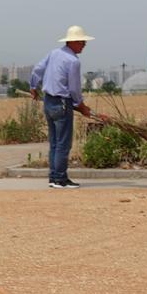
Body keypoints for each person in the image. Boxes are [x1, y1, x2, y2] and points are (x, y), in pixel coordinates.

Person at [30, 25, 101, 189]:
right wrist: (81, 106)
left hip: (49, 102)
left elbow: (38, 69)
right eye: (82, 42)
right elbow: (74, 89)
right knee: (63, 143)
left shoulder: (54, 53)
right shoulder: (73, 61)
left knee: (54, 142)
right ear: (73, 42)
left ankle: (54, 177)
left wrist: (33, 86)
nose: (84, 45)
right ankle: (60, 179)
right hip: (62, 103)